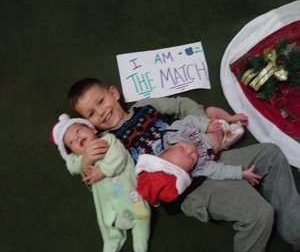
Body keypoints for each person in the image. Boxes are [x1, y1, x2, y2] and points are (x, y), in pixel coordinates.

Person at [66, 78, 300, 252]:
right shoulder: (109, 143)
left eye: (101, 101)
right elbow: (103, 178)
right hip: (190, 186)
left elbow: (181, 104)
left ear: (113, 93)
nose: (102, 111)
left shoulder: (145, 105)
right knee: (259, 212)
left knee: (270, 154)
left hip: (209, 156)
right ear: (90, 124)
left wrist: (207, 126)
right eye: (92, 113)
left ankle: (295, 230)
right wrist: (87, 160)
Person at [51, 113, 150, 252]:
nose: (77, 137)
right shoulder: (79, 159)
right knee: (106, 226)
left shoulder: (108, 140)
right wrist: (85, 160)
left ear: (92, 129)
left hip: (131, 196)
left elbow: (119, 156)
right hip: (109, 207)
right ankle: (111, 245)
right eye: (71, 142)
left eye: (78, 131)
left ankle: (140, 247)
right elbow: (70, 166)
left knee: (143, 214)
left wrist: (103, 171)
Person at [135, 138, 261, 205]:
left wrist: (206, 123)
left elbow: (188, 118)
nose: (191, 150)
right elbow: (220, 171)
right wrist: (241, 173)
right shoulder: (202, 166)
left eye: (182, 148)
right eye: (191, 158)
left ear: (169, 146)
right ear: (191, 171)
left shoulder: (173, 134)